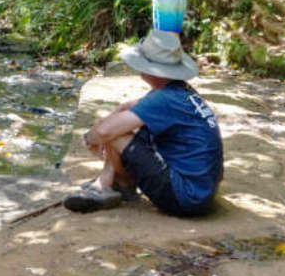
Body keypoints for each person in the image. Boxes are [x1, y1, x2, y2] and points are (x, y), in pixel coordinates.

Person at [62, 32, 223, 216]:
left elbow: (105, 131)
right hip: (200, 194)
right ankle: (121, 184)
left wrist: (91, 138)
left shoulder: (164, 99)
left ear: (151, 70)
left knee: (117, 132)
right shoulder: (179, 92)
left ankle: (106, 184)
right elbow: (129, 107)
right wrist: (114, 117)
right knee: (125, 124)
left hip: (184, 198)